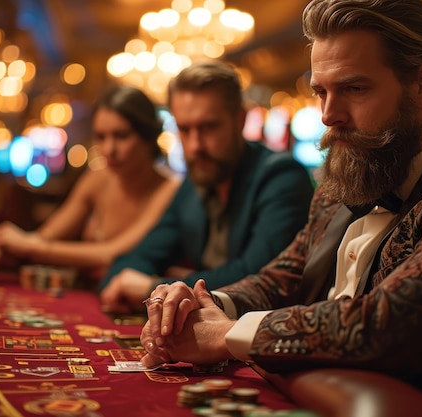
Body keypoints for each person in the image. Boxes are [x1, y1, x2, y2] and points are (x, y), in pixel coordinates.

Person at [138, 2, 422, 417]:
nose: (329, 114)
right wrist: (204, 305)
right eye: (321, 92)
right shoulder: (339, 188)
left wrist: (225, 335)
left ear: (421, 85)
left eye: (355, 89)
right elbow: (285, 277)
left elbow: (384, 325)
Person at [99, 61, 314, 313]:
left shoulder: (281, 177)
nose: (194, 145)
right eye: (184, 129)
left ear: (241, 119)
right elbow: (135, 261)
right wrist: (129, 281)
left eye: (209, 127)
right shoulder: (195, 181)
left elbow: (256, 277)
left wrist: (152, 288)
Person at [0, 85, 181, 286]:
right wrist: (5, 246)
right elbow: (45, 237)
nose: (109, 149)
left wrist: (28, 246)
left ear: (148, 136)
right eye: (101, 136)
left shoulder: (170, 189)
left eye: (121, 136)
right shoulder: (98, 178)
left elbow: (112, 254)